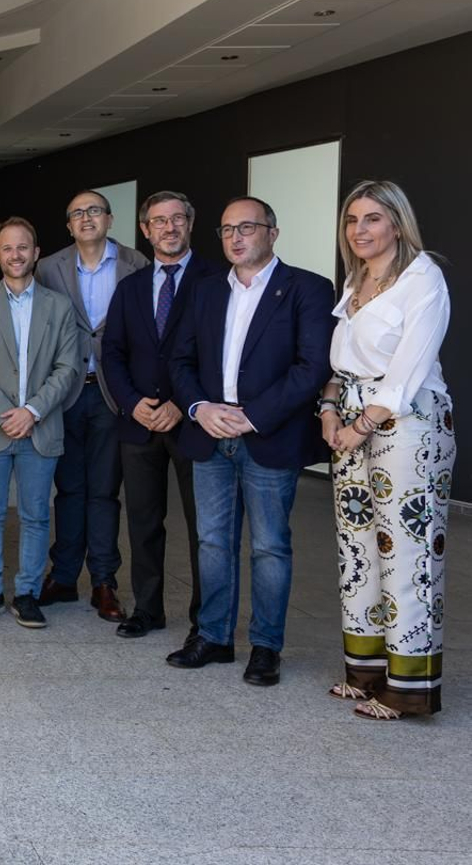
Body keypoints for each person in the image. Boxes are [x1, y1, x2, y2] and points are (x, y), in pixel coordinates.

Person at [168, 196, 334, 688]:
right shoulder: (203, 291)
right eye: (226, 230)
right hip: (210, 435)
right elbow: (179, 362)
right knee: (212, 542)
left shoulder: (307, 288)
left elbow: (313, 367)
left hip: (270, 437)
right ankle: (214, 637)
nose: (235, 238)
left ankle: (266, 648)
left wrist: (252, 417)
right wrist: (201, 408)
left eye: (247, 227)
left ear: (272, 232)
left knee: (270, 547)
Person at [321, 180, 453, 719]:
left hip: (408, 424)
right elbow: (340, 365)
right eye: (353, 220)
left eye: (372, 219)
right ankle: (366, 671)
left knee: (407, 549)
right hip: (350, 420)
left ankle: (409, 687)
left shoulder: (423, 277)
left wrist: (363, 423)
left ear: (397, 223)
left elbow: (410, 368)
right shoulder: (355, 282)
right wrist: (329, 411)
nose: (360, 230)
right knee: (358, 551)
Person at [101, 191, 219, 641]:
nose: (168, 228)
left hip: (193, 420)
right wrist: (133, 403)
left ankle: (204, 622)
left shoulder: (217, 279)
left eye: (176, 219)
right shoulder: (131, 287)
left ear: (190, 223)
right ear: (145, 230)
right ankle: (147, 609)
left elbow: (217, 354)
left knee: (203, 528)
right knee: (144, 521)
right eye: (158, 221)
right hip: (139, 421)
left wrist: (180, 403)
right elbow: (113, 353)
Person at [0, 217, 81, 629]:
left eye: (23, 247)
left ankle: (27, 593)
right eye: (8, 248)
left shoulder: (59, 306)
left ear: (36, 252)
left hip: (40, 427)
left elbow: (67, 367)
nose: (16, 255)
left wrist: (33, 411)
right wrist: (4, 414)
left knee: (35, 516)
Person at [35, 189, 148, 623]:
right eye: (76, 212)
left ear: (109, 218)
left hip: (111, 394)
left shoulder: (136, 265)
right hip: (64, 392)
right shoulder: (49, 268)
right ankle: (63, 576)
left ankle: (103, 582)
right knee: (67, 490)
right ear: (68, 224)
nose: (86, 218)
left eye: (94, 211)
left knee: (103, 491)